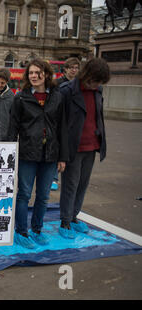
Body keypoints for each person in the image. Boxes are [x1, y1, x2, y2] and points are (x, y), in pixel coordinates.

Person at [8, 58, 68, 249]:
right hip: (27, 153)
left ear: (47, 74)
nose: (33, 76)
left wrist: (63, 157)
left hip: (50, 154)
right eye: (31, 73)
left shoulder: (58, 96)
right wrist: (8, 153)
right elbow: (13, 126)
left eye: (37, 72)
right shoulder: (21, 97)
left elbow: (63, 128)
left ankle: (37, 229)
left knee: (43, 196)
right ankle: (21, 231)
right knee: (24, 194)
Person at [58, 58, 110, 239]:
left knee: (83, 184)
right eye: (94, 80)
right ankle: (65, 221)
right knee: (70, 185)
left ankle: (73, 217)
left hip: (92, 144)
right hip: (73, 147)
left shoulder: (98, 90)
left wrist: (100, 137)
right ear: (87, 75)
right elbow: (60, 123)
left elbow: (98, 116)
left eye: (99, 82)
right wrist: (61, 153)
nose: (96, 85)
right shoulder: (67, 91)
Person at [51, 57, 80, 191]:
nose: (74, 70)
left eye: (76, 68)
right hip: (59, 119)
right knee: (57, 150)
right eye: (71, 68)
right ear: (66, 69)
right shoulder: (58, 83)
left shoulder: (79, 84)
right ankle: (54, 178)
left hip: (72, 121)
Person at [0, 68, 15, 142]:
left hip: (6, 136)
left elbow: (13, 116)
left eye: (2, 83)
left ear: (7, 82)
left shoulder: (11, 96)